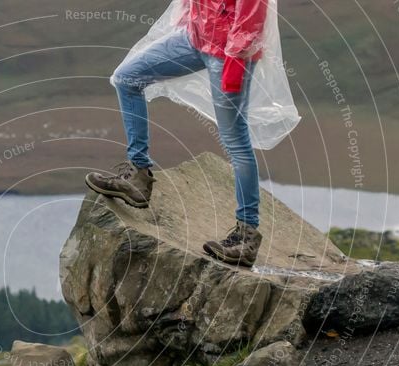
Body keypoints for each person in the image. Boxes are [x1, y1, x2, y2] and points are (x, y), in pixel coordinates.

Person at [86, 0, 278, 268]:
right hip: (194, 40)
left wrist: (235, 62)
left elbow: (252, 16)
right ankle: (138, 177)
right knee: (126, 79)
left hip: (227, 54)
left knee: (235, 140)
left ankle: (246, 236)